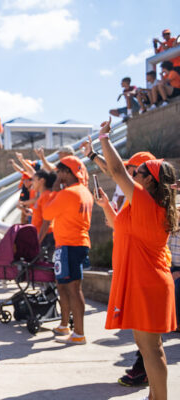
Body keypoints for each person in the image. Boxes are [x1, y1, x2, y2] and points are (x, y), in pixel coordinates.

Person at [95, 117, 177, 400]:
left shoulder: (145, 201)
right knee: (149, 348)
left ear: (150, 182)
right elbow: (118, 226)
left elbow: (116, 171)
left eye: (139, 172)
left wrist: (103, 138)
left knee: (151, 349)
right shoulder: (143, 206)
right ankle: (155, 396)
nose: (134, 174)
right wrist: (106, 205)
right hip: (145, 281)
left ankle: (160, 398)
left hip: (147, 282)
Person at [42, 156, 93, 345]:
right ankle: (65, 325)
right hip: (71, 244)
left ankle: (79, 333)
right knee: (63, 285)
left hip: (69, 245)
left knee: (73, 288)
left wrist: (54, 192)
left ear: (66, 172)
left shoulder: (68, 193)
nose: (57, 175)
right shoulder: (83, 191)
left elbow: (47, 213)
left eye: (59, 171)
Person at [32, 170, 57, 260]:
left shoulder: (46, 196)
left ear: (42, 180)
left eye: (34, 180)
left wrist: (39, 240)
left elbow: (48, 220)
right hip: (43, 235)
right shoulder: (43, 196)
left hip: (46, 236)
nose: (32, 183)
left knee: (45, 265)